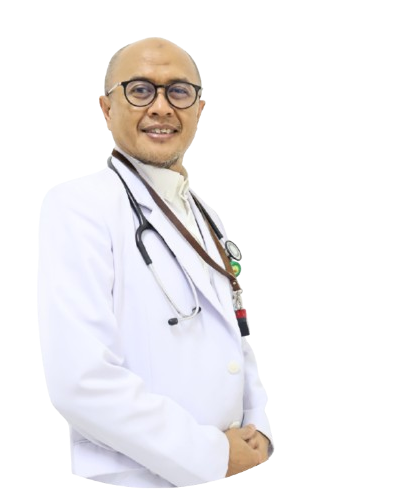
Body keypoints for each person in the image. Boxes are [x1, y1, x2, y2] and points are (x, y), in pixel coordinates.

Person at [37, 36, 274, 489]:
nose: (162, 108)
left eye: (179, 91)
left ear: (199, 109)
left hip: (232, 465)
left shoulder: (205, 214)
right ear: (107, 109)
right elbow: (81, 380)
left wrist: (260, 429)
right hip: (136, 479)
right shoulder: (77, 205)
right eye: (141, 90)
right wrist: (211, 454)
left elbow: (236, 335)